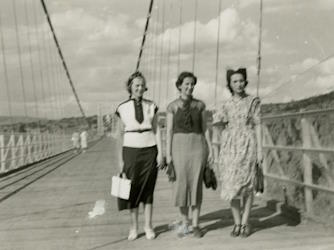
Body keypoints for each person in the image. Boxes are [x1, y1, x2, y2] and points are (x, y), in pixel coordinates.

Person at [212, 68, 262, 238]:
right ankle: (236, 222)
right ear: (230, 84)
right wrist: (223, 140)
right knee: (231, 186)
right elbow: (217, 125)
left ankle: (245, 223)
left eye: (241, 80)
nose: (239, 84)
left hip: (248, 146)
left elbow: (258, 125)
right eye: (235, 81)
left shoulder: (253, 101)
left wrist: (260, 150)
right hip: (230, 149)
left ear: (245, 82)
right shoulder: (225, 105)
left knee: (247, 186)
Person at [115, 71, 163, 241]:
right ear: (130, 87)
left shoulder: (152, 105)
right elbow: (119, 135)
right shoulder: (122, 107)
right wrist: (120, 161)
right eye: (136, 85)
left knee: (148, 190)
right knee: (132, 190)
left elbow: (157, 130)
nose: (140, 88)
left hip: (150, 150)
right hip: (131, 151)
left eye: (142, 85)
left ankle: (148, 226)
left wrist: (161, 153)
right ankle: (133, 227)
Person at [166, 71, 213, 238]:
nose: (190, 87)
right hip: (178, 147)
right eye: (186, 83)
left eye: (192, 84)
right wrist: (168, 154)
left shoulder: (200, 106)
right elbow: (169, 131)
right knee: (181, 185)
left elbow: (205, 128)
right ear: (179, 85)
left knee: (195, 185)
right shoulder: (172, 106)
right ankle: (184, 222)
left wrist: (211, 148)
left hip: (197, 146)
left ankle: (195, 224)